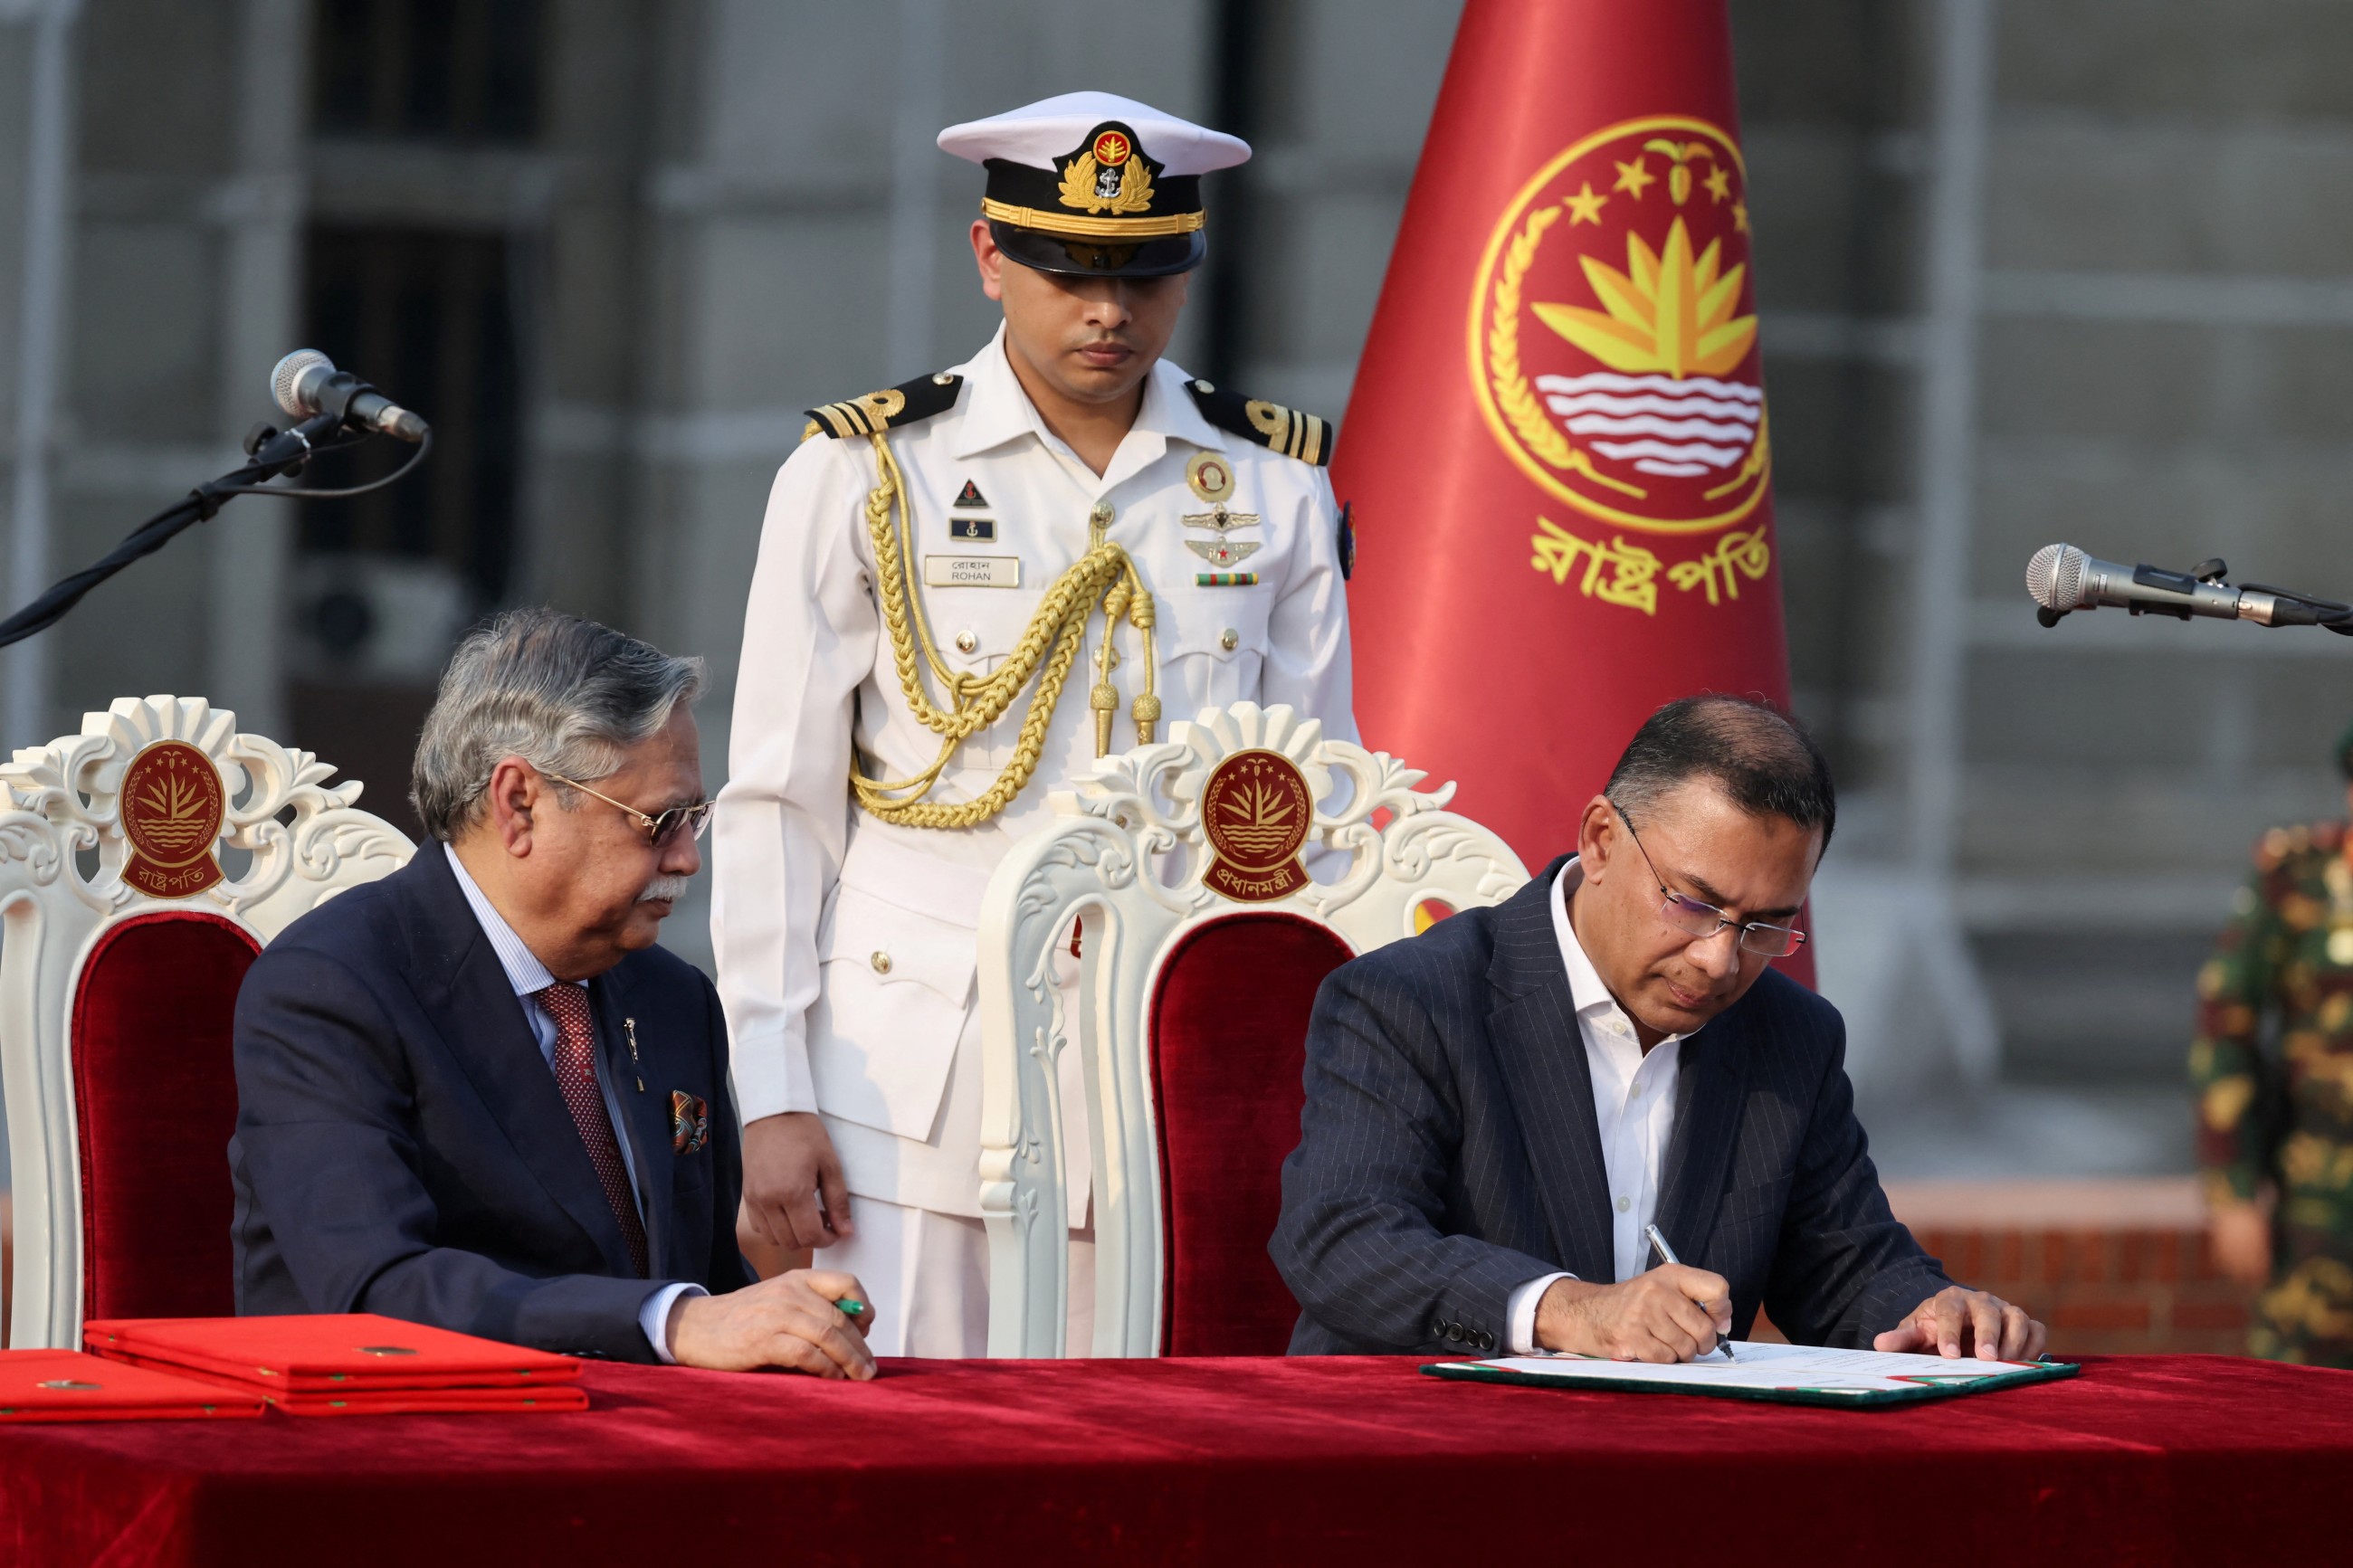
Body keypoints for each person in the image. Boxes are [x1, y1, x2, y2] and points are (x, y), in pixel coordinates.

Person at [713, 91, 1356, 1355]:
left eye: (1145, 274)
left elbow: (1310, 821)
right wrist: (773, 1091)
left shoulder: (1277, 483)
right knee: (898, 1449)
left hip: (1167, 1075)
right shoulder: (866, 471)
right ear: (991, 257)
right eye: (1067, 271)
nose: (1109, 312)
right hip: (908, 1081)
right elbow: (776, 805)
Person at [1272, 695, 2048, 1362]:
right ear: (1602, 839)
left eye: (1764, 927)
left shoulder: (1790, 1037)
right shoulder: (1411, 1000)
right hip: (1423, 1467)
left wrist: (1933, 1313)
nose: (1718, 961)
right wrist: (1572, 1310)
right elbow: (1342, 1237)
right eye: (1694, 903)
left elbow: (1845, 1267)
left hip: (1669, 1483)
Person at [232, 608, 874, 1378]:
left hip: (646, 1450)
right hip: (408, 1444)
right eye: (660, 821)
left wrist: (791, 1328)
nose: (686, 859)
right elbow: (376, 1286)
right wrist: (674, 1321)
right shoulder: (331, 986)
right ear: (519, 804)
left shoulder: (674, 999)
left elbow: (705, 1295)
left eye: (695, 820)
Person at [2191, 718, 2353, 1368]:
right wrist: (2232, 1185)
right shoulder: (2297, 874)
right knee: (2305, 1396)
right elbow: (2224, 1027)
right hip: (2321, 1195)